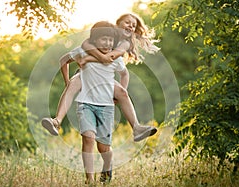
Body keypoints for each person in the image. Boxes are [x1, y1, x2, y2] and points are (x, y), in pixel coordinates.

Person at [42, 13, 159, 142]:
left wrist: (88, 57)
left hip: (103, 79)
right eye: (127, 23)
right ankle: (56, 121)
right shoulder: (103, 34)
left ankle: (136, 128)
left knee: (122, 92)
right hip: (86, 74)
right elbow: (85, 45)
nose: (131, 26)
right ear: (117, 24)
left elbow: (109, 58)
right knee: (72, 86)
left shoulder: (124, 43)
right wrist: (67, 82)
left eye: (134, 25)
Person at [62, 21, 127, 183]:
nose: (108, 43)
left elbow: (124, 74)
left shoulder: (114, 58)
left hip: (106, 106)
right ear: (94, 40)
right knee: (88, 138)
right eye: (104, 39)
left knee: (104, 147)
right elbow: (63, 60)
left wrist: (118, 95)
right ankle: (89, 179)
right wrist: (68, 82)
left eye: (111, 40)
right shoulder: (84, 51)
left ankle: (107, 166)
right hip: (85, 104)